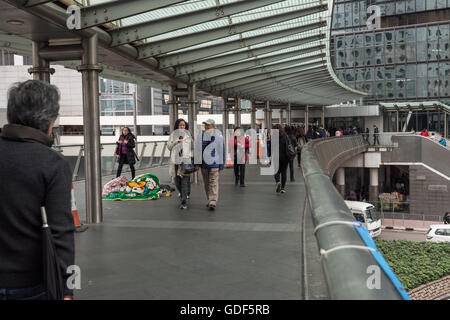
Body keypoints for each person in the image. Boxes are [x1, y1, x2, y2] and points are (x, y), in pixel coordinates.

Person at [0, 80, 74, 300]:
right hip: (30, 283)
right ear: (50, 121)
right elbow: (61, 232)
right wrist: (68, 288)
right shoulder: (52, 164)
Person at [196, 119, 225, 211]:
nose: (206, 127)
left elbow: (222, 152)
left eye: (208, 125)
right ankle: (209, 199)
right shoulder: (200, 137)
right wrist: (197, 163)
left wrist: (221, 165)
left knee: (213, 182)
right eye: (205, 125)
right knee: (206, 183)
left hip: (214, 164)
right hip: (204, 164)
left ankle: (213, 201)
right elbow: (197, 151)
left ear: (213, 126)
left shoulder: (218, 138)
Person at [167, 119, 193, 210]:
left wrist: (191, 155)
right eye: (180, 125)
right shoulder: (173, 135)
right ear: (177, 126)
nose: (182, 127)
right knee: (177, 182)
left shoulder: (188, 136)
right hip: (175, 162)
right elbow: (169, 147)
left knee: (185, 182)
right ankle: (183, 194)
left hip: (185, 162)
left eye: (183, 125)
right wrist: (176, 142)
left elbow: (192, 148)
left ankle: (183, 202)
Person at [274, 124, 290, 194]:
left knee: (276, 171)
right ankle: (283, 188)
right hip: (285, 157)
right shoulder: (285, 136)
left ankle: (278, 182)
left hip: (276, 157)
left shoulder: (274, 137)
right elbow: (289, 145)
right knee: (284, 172)